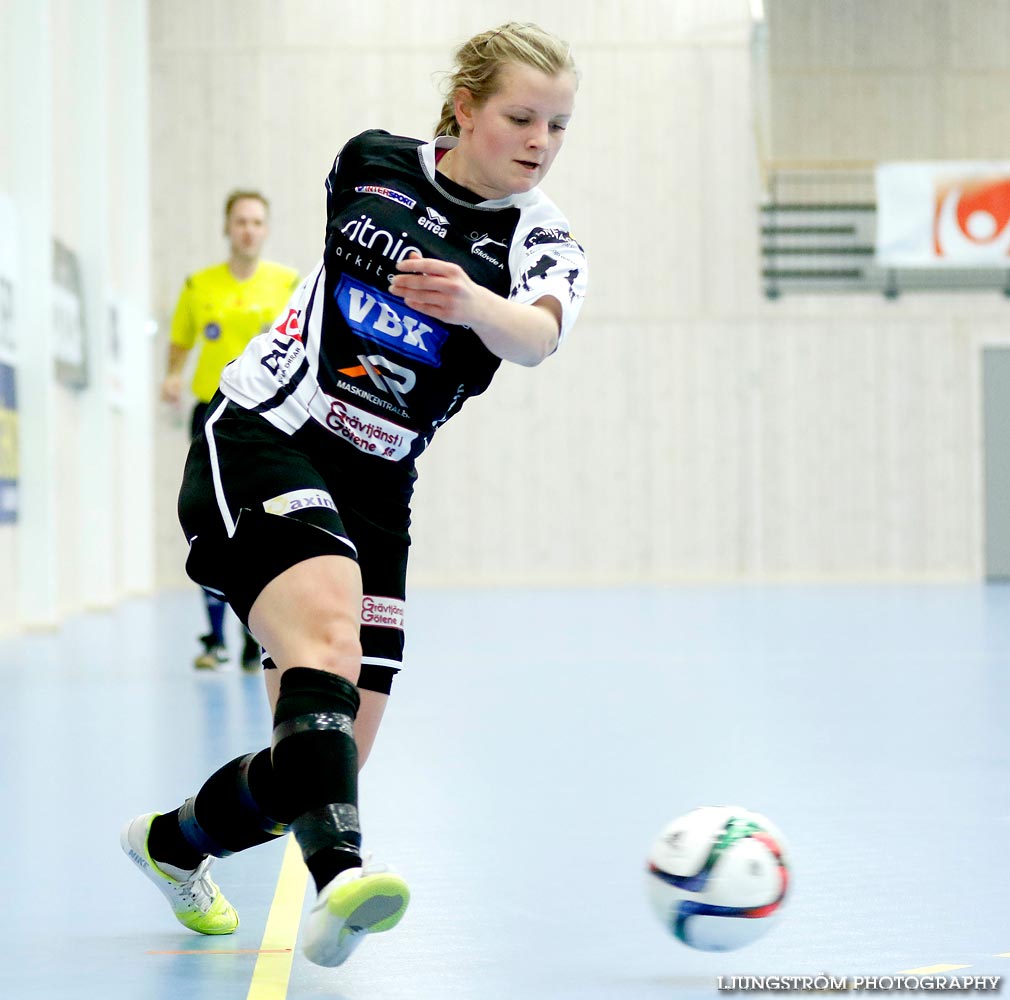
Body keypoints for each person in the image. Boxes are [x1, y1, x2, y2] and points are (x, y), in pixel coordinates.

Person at [123, 22, 587, 968]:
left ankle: (169, 845)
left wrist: (473, 304)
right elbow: (360, 247)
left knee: (331, 762)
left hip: (382, 483)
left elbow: (535, 336)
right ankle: (341, 884)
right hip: (271, 432)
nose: (541, 141)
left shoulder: (545, 239)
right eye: (521, 117)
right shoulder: (373, 163)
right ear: (466, 109)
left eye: (560, 125)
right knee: (326, 633)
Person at [161, 191, 300, 671]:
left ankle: (254, 635)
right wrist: (172, 375)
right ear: (227, 228)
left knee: (259, 522)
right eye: (240, 221)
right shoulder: (200, 286)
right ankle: (214, 638)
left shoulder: (286, 283)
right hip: (210, 411)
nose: (248, 230)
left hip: (266, 414)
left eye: (257, 222)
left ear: (265, 229)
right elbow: (180, 342)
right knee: (209, 519)